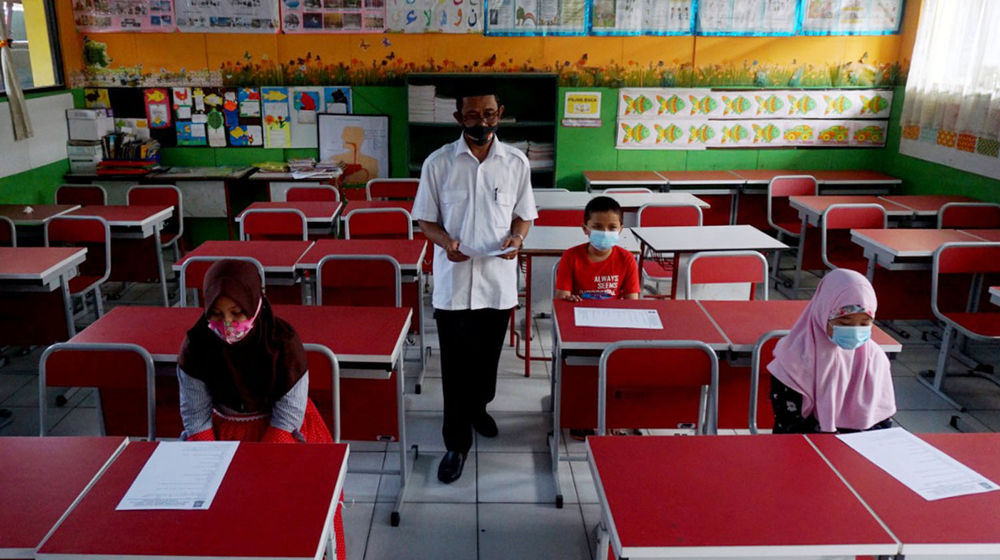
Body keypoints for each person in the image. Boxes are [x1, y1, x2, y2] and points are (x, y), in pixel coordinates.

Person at [412, 83, 537, 483]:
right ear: (458, 118)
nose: (480, 122)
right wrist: (445, 242)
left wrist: (518, 238)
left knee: (486, 362)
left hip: (497, 282)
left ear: (499, 113)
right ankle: (456, 442)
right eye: (471, 116)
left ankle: (479, 406)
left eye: (488, 114)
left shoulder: (516, 162)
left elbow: (524, 215)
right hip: (454, 282)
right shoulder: (438, 163)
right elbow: (425, 220)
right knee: (455, 366)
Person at [177, 259, 332, 443]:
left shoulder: (282, 342)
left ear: (255, 305)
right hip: (221, 428)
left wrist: (264, 456)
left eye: (237, 313)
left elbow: (288, 415)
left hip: (279, 425)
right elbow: (196, 416)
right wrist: (209, 452)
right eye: (217, 314)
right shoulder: (196, 344)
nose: (227, 324)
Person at [767, 268, 896, 433]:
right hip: (806, 446)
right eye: (844, 322)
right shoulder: (794, 359)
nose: (855, 331)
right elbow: (789, 425)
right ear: (823, 313)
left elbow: (882, 422)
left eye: (864, 324)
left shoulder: (875, 359)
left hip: (858, 448)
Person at [554, 196, 640, 301]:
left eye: (612, 227)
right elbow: (561, 299)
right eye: (597, 227)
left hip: (613, 314)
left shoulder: (627, 259)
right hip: (579, 313)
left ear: (620, 230)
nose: (605, 232)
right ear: (585, 229)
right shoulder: (571, 257)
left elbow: (632, 303)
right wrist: (568, 300)